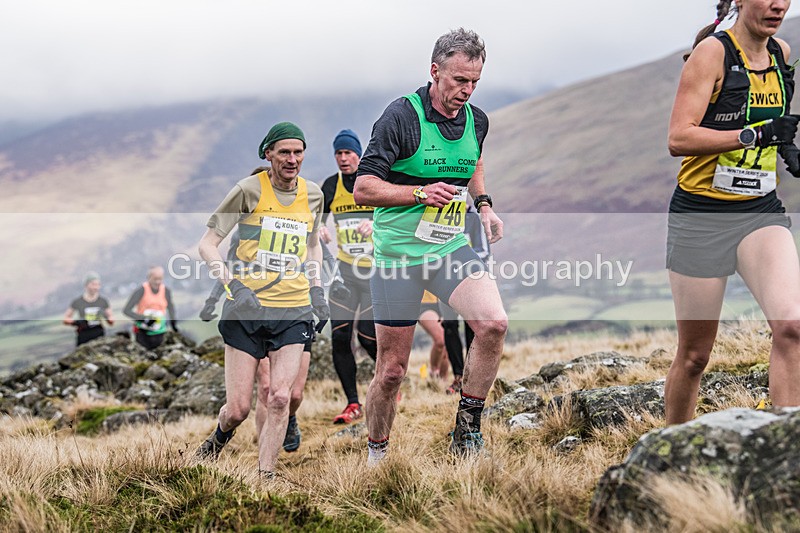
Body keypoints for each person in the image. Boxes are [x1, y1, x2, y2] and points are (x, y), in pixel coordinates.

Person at [353, 28, 507, 462]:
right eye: (459, 80)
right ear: (435, 71)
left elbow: (472, 160)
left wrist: (484, 205)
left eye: (475, 81)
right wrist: (419, 193)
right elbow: (364, 187)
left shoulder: (477, 119)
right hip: (397, 256)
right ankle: (377, 452)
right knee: (392, 371)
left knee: (493, 324)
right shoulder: (401, 116)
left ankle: (467, 429)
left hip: (447, 247)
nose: (467, 90)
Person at [665, 0, 800, 425]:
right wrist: (753, 135)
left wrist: (786, 146)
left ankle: (783, 452)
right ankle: (671, 451)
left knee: (793, 327)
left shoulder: (781, 53)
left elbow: (772, 118)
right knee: (694, 356)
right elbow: (679, 137)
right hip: (702, 216)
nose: (779, 4)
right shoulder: (713, 54)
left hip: (760, 211)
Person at [195, 122, 328, 477]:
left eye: (298, 152)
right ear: (267, 154)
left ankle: (265, 476)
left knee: (281, 397)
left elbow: (313, 245)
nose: (292, 159)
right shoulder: (247, 191)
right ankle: (218, 439)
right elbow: (208, 244)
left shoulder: (313, 195)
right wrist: (232, 286)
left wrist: (317, 289)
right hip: (247, 310)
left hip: (293, 308)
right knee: (237, 409)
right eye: (284, 152)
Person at [319, 129, 379, 424]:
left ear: (359, 153)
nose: (343, 159)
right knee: (340, 336)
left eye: (348, 153)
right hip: (344, 272)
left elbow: (396, 215)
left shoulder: (373, 181)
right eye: (338, 154)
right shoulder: (331, 185)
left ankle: (389, 382)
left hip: (374, 272)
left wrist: (375, 224)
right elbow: (314, 216)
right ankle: (352, 403)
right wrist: (317, 227)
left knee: (367, 336)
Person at [440, 205, 491, 394]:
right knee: (450, 326)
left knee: (473, 326)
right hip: (443, 279)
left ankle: (472, 375)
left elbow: (484, 250)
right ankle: (458, 377)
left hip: (470, 278)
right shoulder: (436, 214)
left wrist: (462, 264)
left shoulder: (473, 217)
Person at [123, 266, 178, 350]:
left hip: (160, 332)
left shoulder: (166, 291)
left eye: (160, 279)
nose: (158, 282)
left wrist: (173, 323)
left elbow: (171, 308)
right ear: (149, 278)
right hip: (142, 333)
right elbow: (126, 310)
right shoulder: (140, 290)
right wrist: (143, 319)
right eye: (155, 279)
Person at [63, 271, 115, 346]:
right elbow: (66, 318)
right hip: (83, 335)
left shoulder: (103, 301)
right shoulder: (78, 301)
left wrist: (104, 315)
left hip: (98, 334)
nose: (96, 287)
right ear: (86, 285)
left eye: (98, 285)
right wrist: (76, 322)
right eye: (93, 284)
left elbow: (111, 321)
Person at [418, 290, 448, 380]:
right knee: (441, 339)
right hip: (424, 304)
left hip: (444, 302)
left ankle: (443, 383)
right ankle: (434, 371)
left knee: (447, 344)